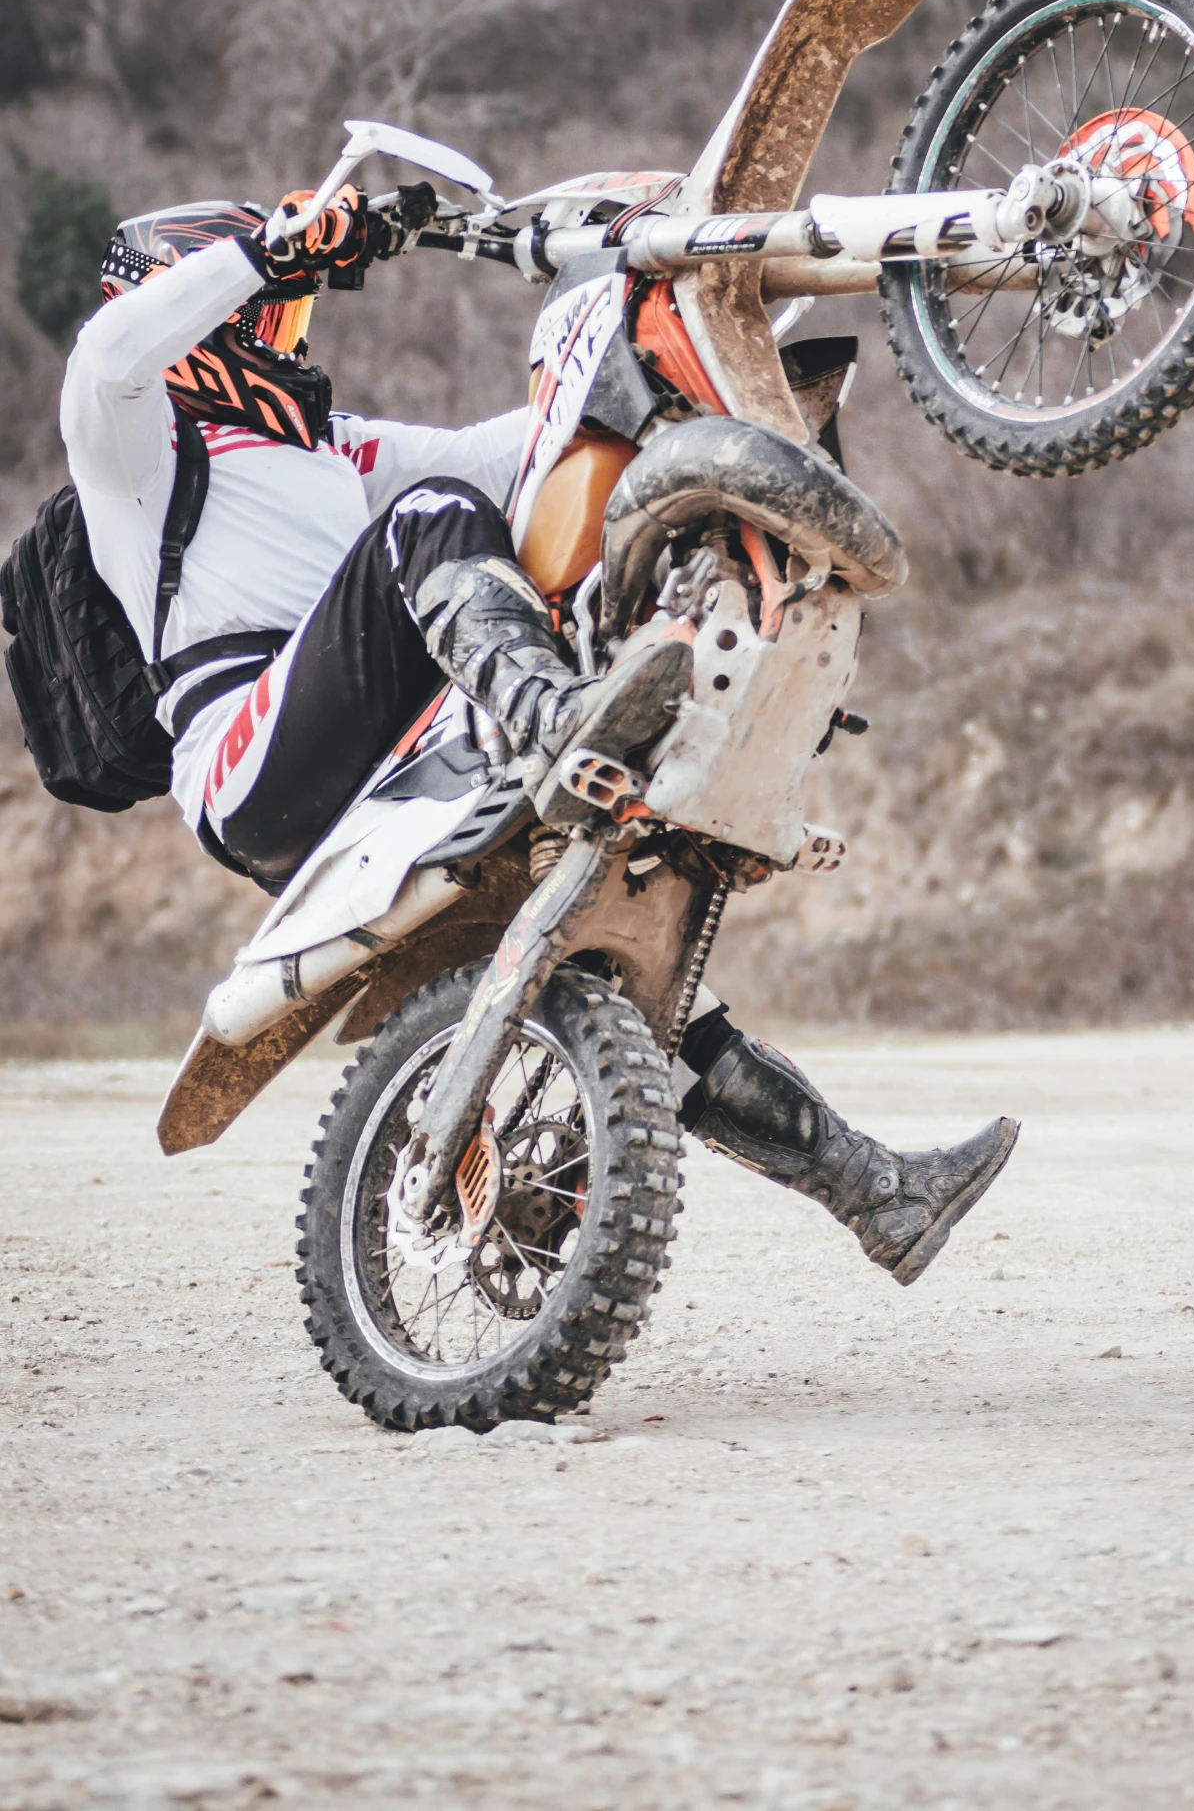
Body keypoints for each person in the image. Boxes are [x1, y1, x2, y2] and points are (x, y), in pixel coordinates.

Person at [62, 190, 1016, 1282]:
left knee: (658, 999)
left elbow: (525, 444)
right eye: (268, 317)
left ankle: (878, 1192)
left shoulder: (331, 445)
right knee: (425, 523)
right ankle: (563, 719)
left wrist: (701, 326)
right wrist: (269, 247)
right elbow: (108, 356)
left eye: (292, 317)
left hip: (388, 741)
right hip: (250, 758)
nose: (285, 336)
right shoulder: (134, 445)